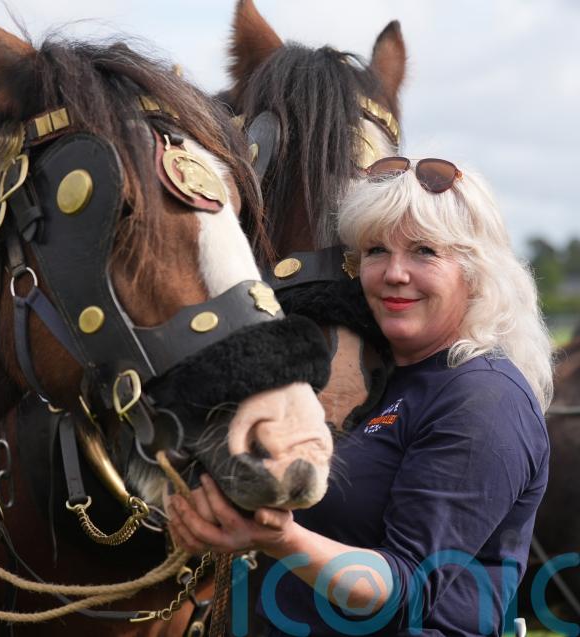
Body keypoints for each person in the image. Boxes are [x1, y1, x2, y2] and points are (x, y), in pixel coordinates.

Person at [166, 157, 552, 636]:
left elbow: (406, 588)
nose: (394, 273)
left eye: (424, 252)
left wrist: (281, 539)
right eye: (375, 251)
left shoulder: (484, 398)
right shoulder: (374, 379)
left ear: (475, 272)